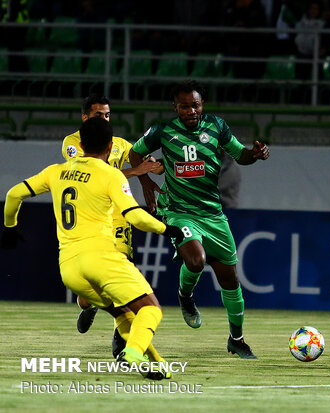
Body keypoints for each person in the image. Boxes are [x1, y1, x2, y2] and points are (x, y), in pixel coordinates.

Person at [1, 117, 184, 380]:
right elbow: (135, 217)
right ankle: (132, 353)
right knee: (150, 309)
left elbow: (14, 194)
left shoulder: (56, 171)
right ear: (110, 147)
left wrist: (9, 227)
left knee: (123, 313)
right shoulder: (111, 174)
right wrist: (166, 229)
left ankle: (154, 363)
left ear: (81, 144)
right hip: (101, 258)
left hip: (69, 268)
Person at [128, 80, 270, 359]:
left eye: (196, 105)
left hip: (212, 213)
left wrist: (254, 154)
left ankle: (236, 339)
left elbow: (240, 155)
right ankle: (185, 296)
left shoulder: (216, 126)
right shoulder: (163, 130)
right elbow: (135, 152)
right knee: (196, 259)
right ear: (175, 107)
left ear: (202, 105)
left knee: (230, 280)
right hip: (178, 210)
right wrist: (145, 181)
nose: (191, 110)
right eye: (184, 106)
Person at [62, 94, 162, 357]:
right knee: (88, 294)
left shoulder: (120, 144)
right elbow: (93, 173)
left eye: (107, 115)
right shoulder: (73, 143)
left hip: (119, 217)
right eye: (98, 115)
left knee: (123, 277)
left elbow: (148, 163)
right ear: (85, 117)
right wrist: (138, 172)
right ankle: (89, 306)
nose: (104, 119)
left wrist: (156, 167)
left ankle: (122, 341)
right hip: (89, 220)